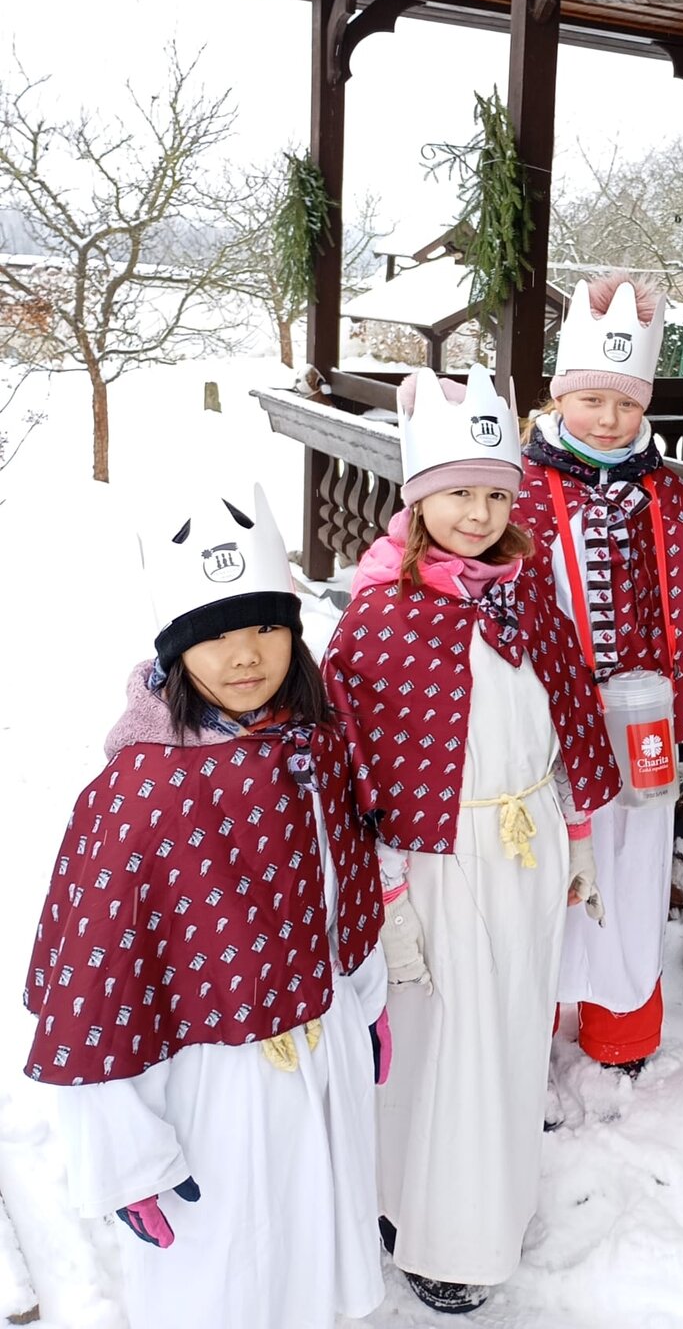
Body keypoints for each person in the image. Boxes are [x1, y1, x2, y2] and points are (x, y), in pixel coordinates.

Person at [23, 485, 387, 1329]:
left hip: (318, 1051)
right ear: (176, 650)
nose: (245, 656)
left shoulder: (311, 743)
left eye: (265, 626)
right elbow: (96, 991)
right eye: (214, 635)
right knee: (225, 1280)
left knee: (309, 1267)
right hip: (212, 1087)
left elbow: (343, 885)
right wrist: (125, 1157)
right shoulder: (140, 792)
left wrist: (364, 1000)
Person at [322, 364, 620, 1316]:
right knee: (444, 1046)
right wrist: (388, 897)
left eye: (495, 494)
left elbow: (566, 719)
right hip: (439, 865)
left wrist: (577, 836)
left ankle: (485, 1208)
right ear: (418, 500)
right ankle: (430, 1227)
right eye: (457, 494)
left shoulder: (524, 597)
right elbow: (357, 772)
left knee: (508, 1038)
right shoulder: (379, 619)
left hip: (524, 853)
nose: (478, 514)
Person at [516, 273, 683, 1073]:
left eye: (625, 404)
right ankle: (529, 1028)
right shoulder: (520, 493)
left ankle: (620, 1033)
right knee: (546, 876)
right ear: (560, 397)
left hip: (643, 729)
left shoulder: (666, 496)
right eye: (592, 401)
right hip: (548, 733)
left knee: (633, 873)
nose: (609, 419)